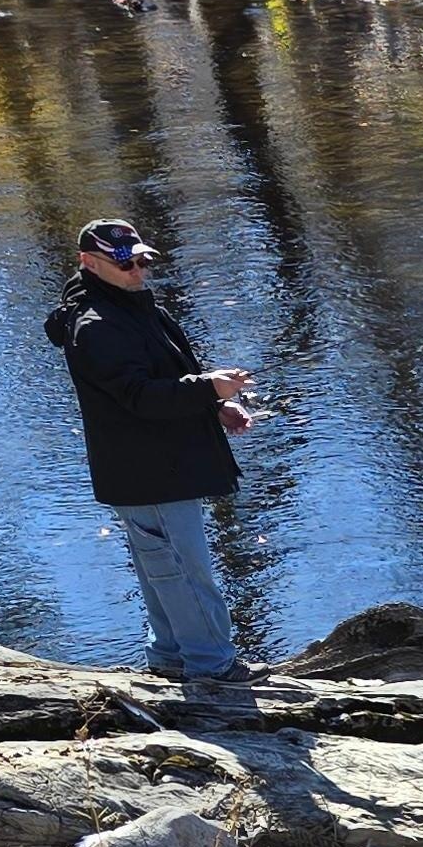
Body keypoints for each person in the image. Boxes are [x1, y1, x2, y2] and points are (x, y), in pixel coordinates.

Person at [45, 218, 257, 685]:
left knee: (160, 567)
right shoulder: (96, 326)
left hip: (152, 467)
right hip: (151, 471)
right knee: (184, 571)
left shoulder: (134, 307)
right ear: (89, 262)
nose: (137, 270)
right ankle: (213, 666)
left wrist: (216, 405)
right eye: (125, 263)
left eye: (141, 260)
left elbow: (165, 375)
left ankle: (169, 657)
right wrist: (206, 390)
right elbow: (140, 396)